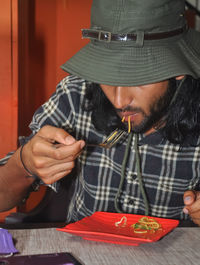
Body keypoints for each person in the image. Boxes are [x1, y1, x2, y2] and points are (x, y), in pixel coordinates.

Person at [1, 0, 200, 226]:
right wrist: (24, 164)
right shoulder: (76, 93)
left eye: (139, 78)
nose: (119, 100)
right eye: (107, 76)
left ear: (178, 70)